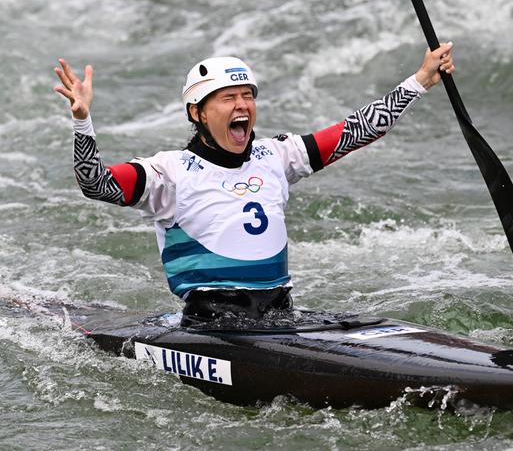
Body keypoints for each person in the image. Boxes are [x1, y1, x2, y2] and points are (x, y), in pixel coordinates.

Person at [54, 44, 455, 325]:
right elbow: (97, 184)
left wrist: (418, 81)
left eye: (247, 96)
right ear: (197, 112)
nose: (242, 105)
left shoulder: (276, 156)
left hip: (280, 312)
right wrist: (82, 120)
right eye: (228, 98)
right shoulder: (169, 173)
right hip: (213, 321)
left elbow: (353, 132)